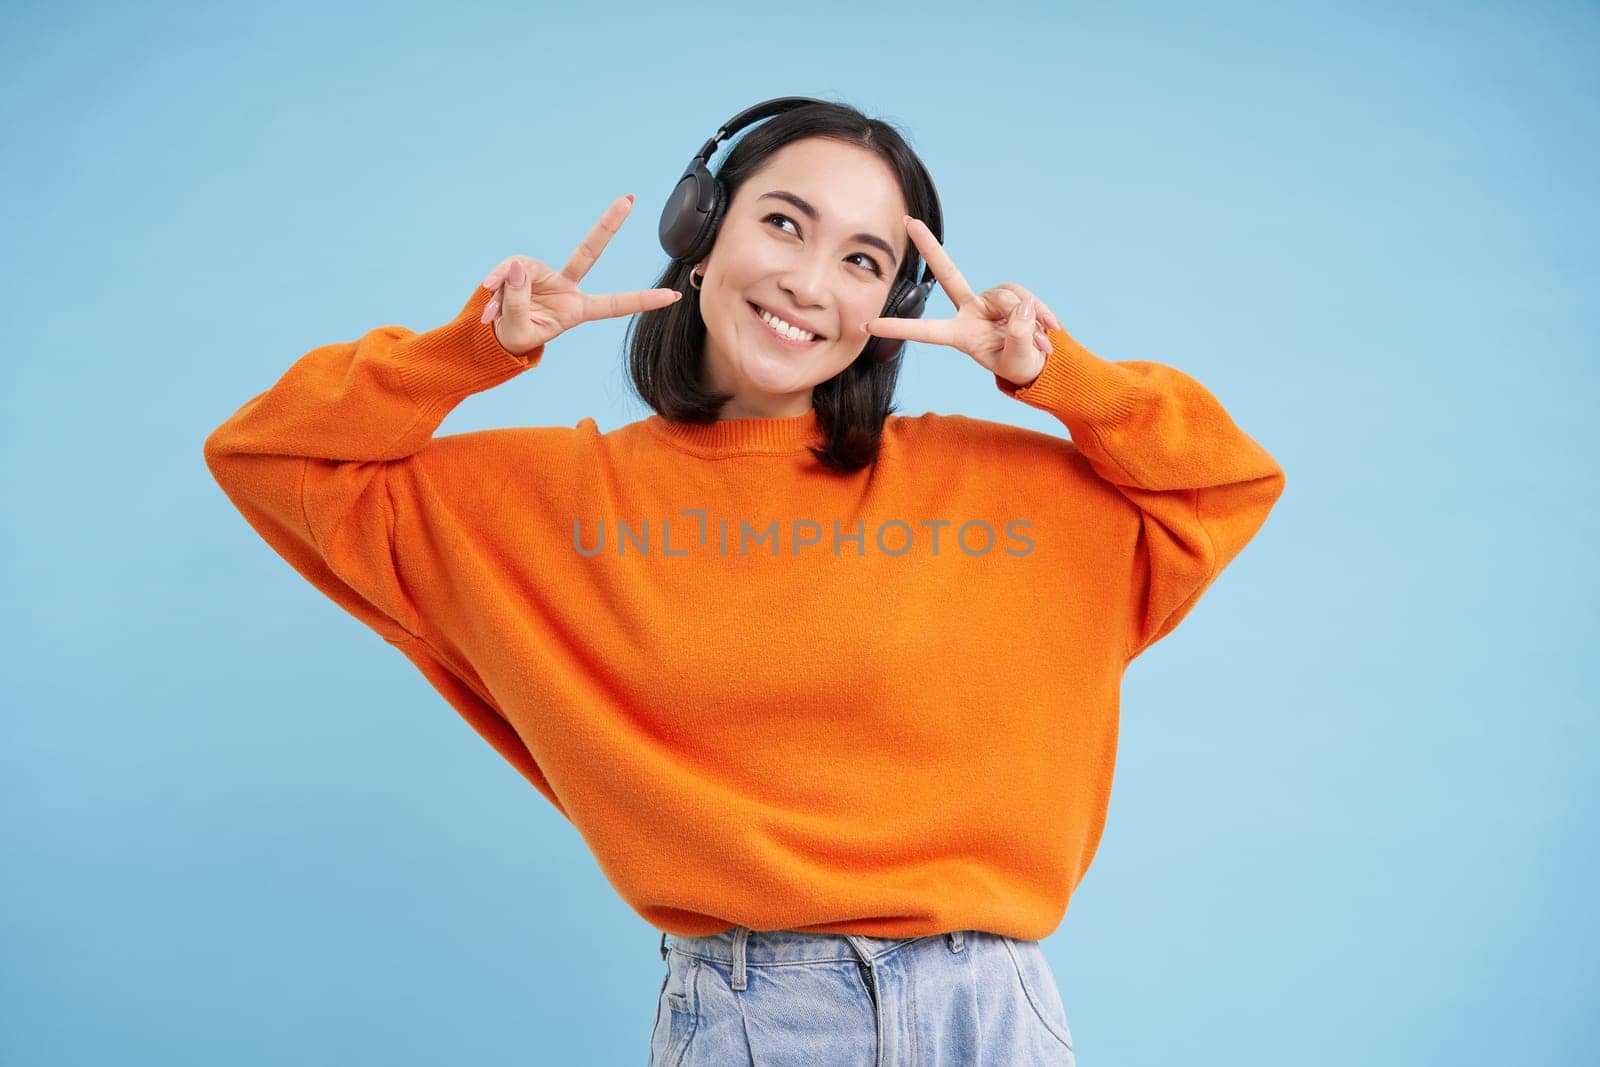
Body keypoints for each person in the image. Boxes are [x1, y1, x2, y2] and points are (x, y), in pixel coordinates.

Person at [204, 97, 1287, 1065]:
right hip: (756, 1017)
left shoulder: (992, 489)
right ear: (699, 230)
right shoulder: (546, 504)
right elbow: (271, 455)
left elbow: (1224, 481)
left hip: (989, 1012)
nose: (810, 283)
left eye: (863, 260)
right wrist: (469, 350)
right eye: (782, 222)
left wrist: (1060, 375)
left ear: (892, 297)